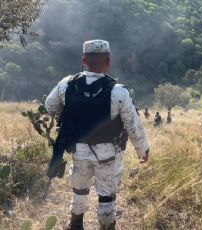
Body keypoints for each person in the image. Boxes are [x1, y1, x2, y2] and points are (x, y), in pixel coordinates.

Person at [45, 40, 150, 230]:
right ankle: (107, 226)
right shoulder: (118, 91)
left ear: (84, 60)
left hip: (78, 149)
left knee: (80, 189)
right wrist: (142, 150)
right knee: (106, 194)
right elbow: (133, 124)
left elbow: (49, 106)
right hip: (108, 153)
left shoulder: (66, 85)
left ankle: (76, 225)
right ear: (108, 62)